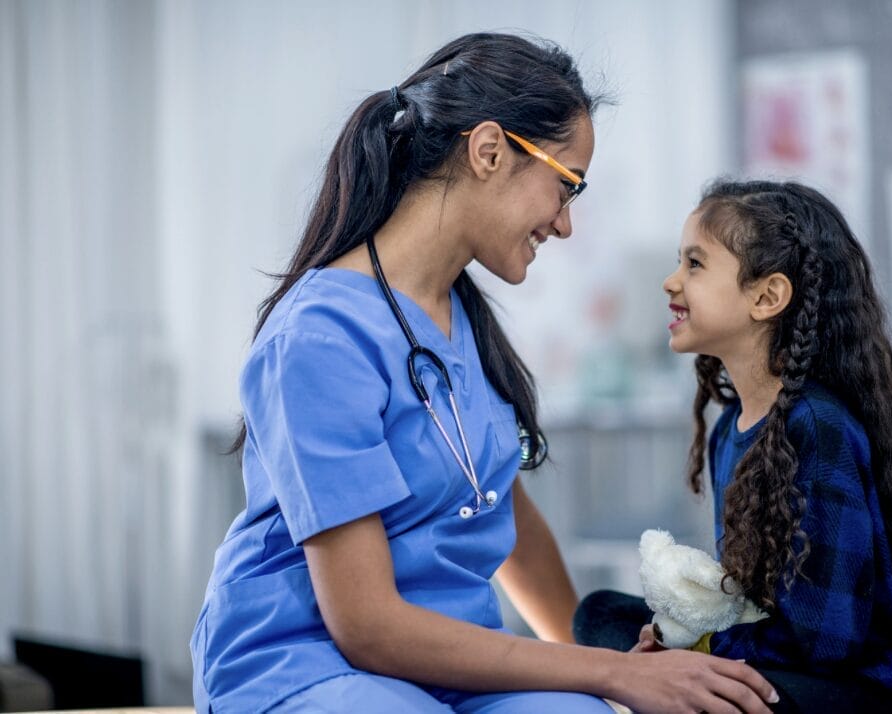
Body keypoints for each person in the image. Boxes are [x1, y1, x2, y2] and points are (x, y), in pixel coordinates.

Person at [190, 34, 781, 714]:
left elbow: (504, 516)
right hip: (308, 661)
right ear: (490, 151)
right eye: (565, 187)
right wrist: (607, 674)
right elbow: (366, 626)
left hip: (450, 663)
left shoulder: (464, 322)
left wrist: (621, 678)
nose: (564, 224)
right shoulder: (320, 338)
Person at [573, 180, 892, 713]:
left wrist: (694, 651)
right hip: (793, 657)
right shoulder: (732, 427)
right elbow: (748, 601)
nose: (671, 282)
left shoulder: (816, 428)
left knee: (710, 689)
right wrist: (671, 641)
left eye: (695, 264)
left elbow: (829, 642)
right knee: (597, 615)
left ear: (767, 296)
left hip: (880, 687)